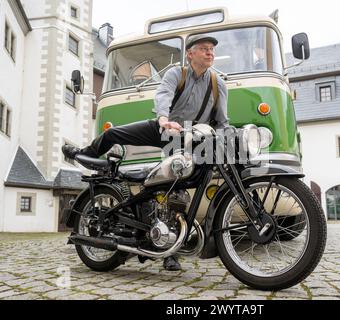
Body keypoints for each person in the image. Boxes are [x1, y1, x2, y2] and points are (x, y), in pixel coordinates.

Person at [62, 34, 229, 271]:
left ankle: (172, 252)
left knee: (176, 191)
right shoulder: (176, 74)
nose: (210, 52)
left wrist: (229, 136)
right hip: (165, 128)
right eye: (204, 48)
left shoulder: (217, 83)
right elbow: (164, 95)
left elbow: (222, 121)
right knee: (114, 133)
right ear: (190, 54)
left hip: (191, 138)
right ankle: (85, 154)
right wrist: (163, 119)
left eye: (212, 49)